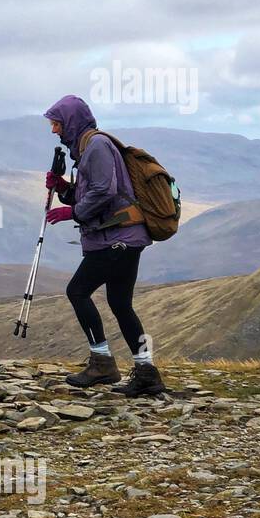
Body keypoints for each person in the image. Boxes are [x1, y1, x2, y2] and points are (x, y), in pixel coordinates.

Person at [43, 95, 166, 396]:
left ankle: (102, 363)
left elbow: (104, 191)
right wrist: (64, 190)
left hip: (117, 239)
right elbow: (92, 193)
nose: (54, 130)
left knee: (78, 291)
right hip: (123, 236)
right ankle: (147, 373)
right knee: (121, 304)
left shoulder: (96, 146)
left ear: (70, 121)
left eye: (57, 124)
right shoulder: (87, 148)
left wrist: (72, 212)